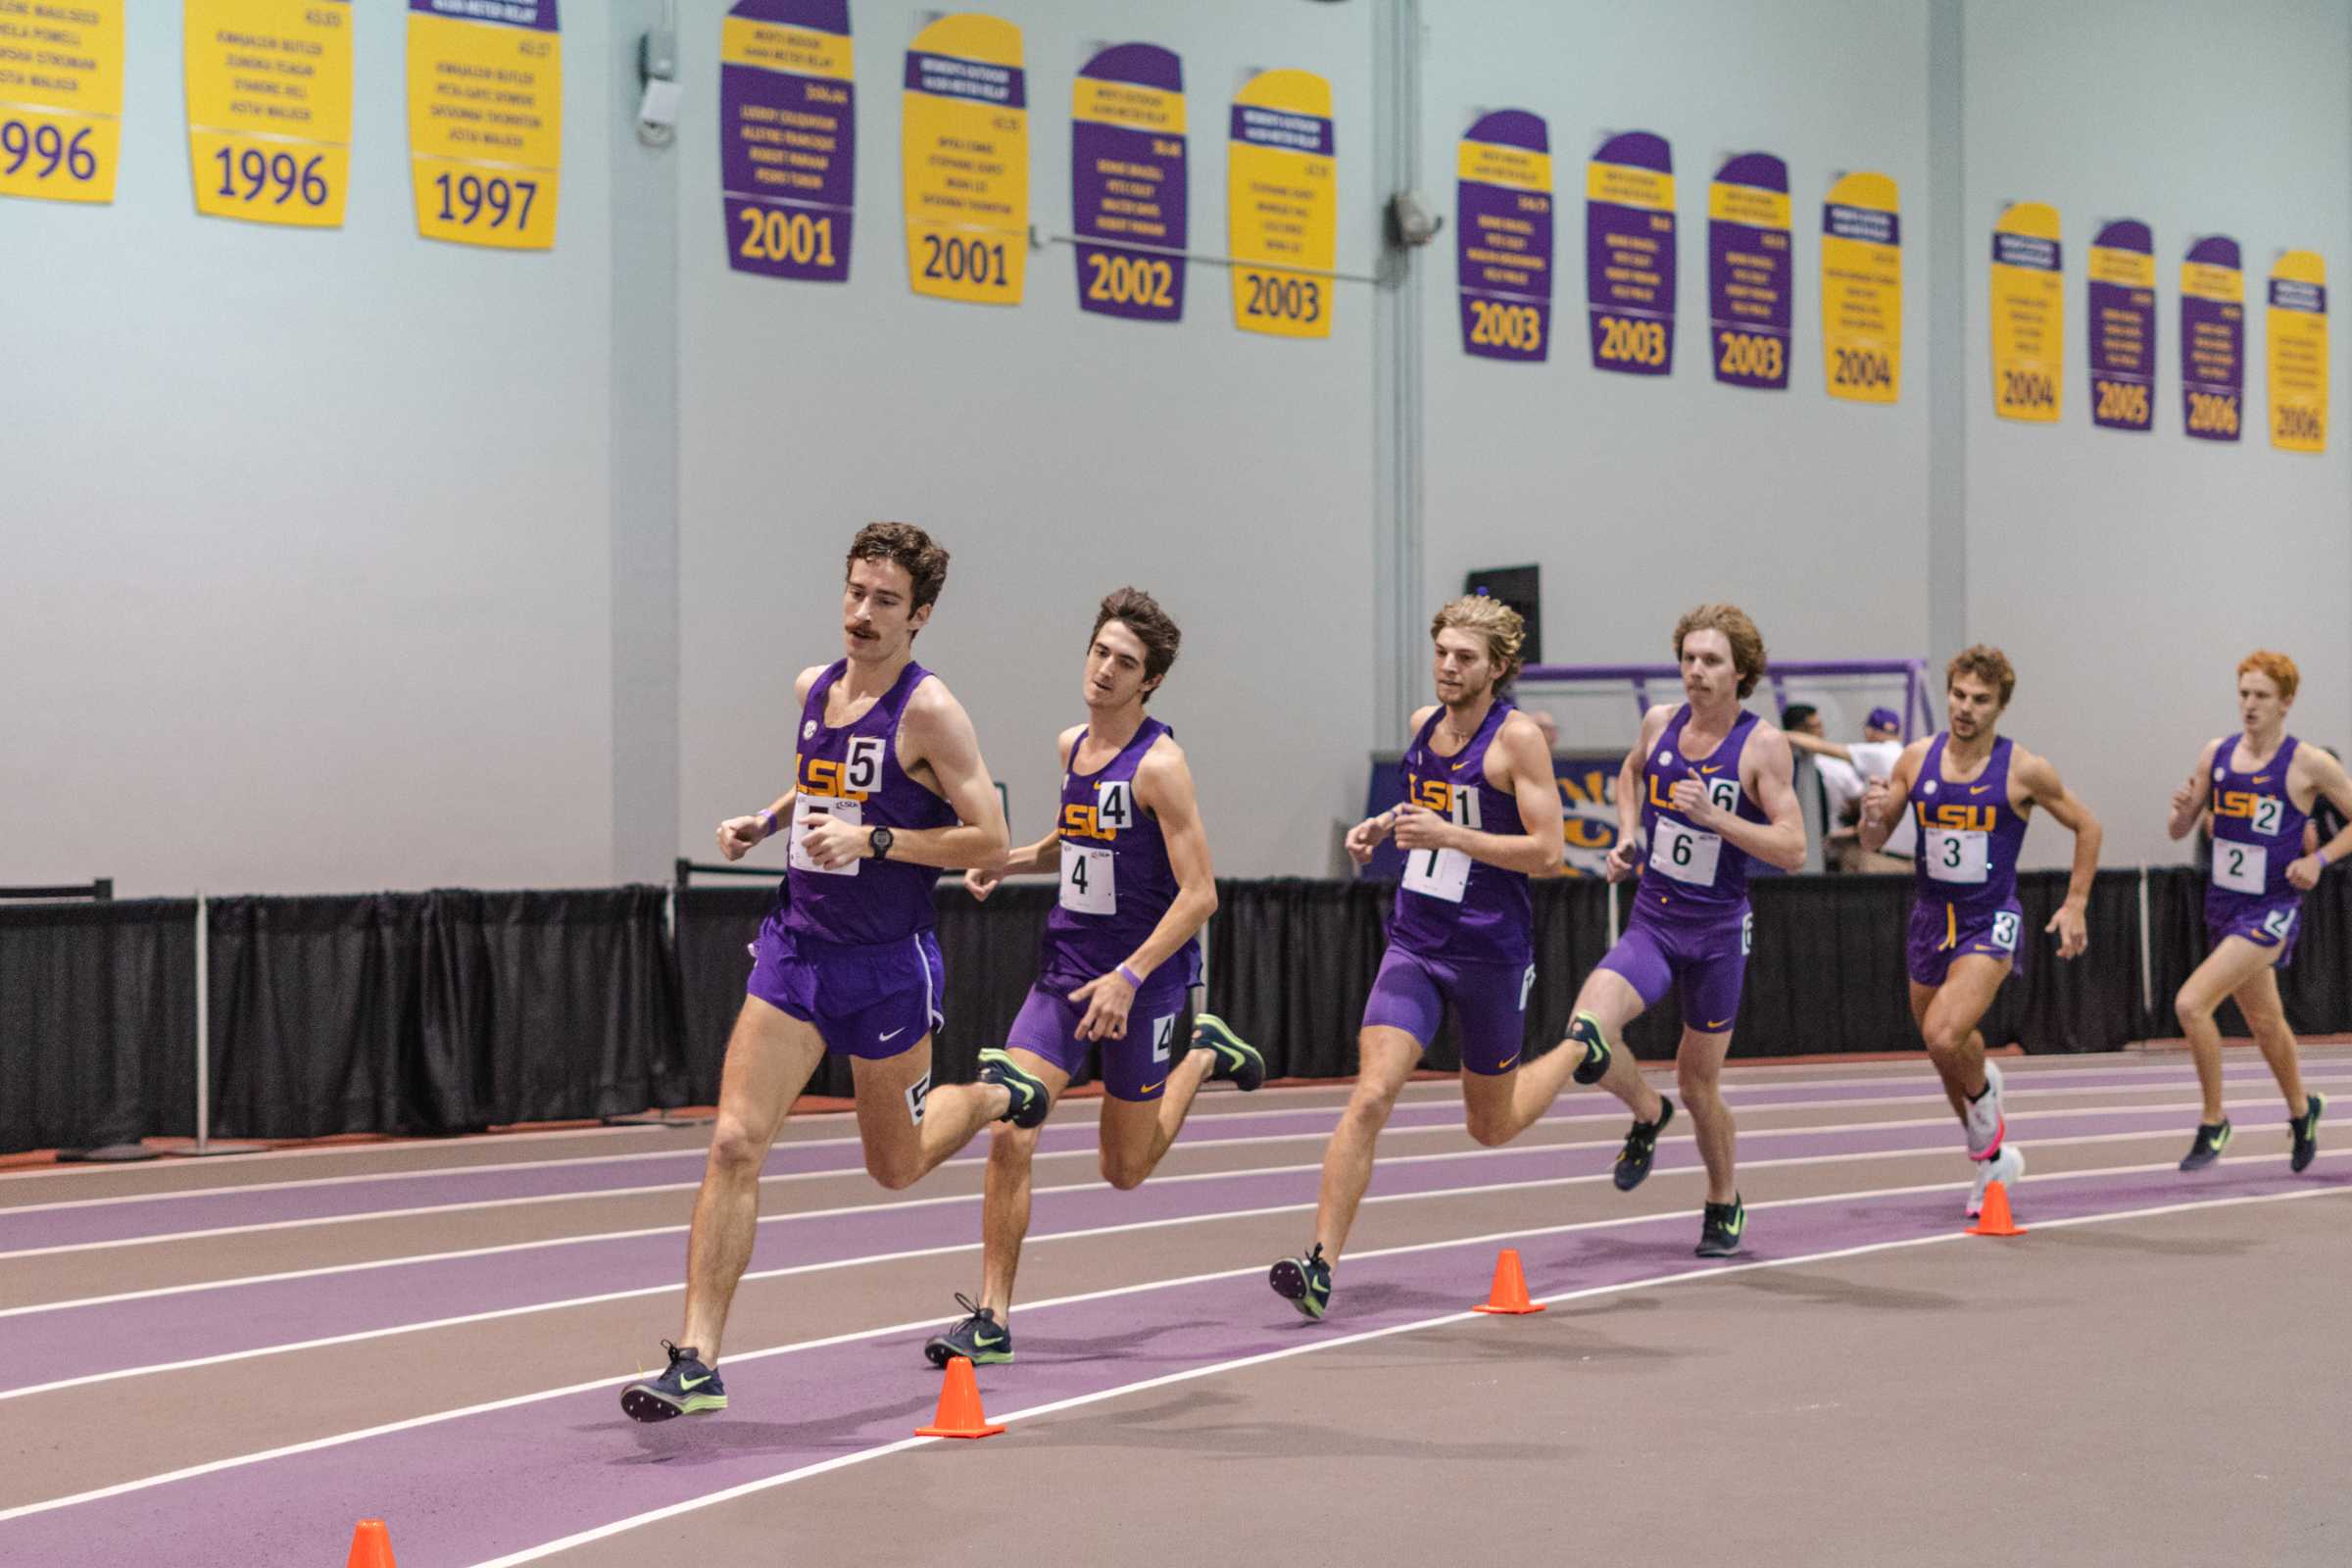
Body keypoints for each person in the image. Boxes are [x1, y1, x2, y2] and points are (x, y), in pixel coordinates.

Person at [621, 521, 1034, 1422]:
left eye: (885, 601)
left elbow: (991, 839)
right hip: (796, 950)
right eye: (854, 593)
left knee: (895, 1166)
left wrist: (877, 839)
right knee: (734, 1141)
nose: (861, 613)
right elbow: (820, 780)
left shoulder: (932, 712)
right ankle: (698, 1360)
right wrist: (765, 823)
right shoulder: (814, 687)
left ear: (918, 615)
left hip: (887, 967)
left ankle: (997, 1094)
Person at [922, 588, 1263, 1366]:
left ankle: (1204, 1053)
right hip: (1066, 972)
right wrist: (1008, 861)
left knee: (1125, 1169)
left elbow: (1201, 893)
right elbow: (1075, 835)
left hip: (1145, 985)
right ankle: (993, 1316)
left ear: (1151, 683)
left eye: (1126, 663)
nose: (1106, 670)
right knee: (1013, 1128)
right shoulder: (1071, 744)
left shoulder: (1163, 765)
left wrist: (1131, 976)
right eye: (1100, 652)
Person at [1268, 595, 1584, 1319]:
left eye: (1465, 657)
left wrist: (1451, 837)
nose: (1447, 666)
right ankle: (1319, 1265)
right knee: (1373, 1093)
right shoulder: (1421, 727)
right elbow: (1431, 804)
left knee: (1490, 1126)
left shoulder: (1518, 740)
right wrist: (1383, 826)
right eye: (1441, 651)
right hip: (1416, 942)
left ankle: (1577, 1048)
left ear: (1498, 668)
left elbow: (1549, 851)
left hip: (1491, 954)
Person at [1553, 605, 1807, 1258]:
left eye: (1711, 660)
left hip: (1718, 935)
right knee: (1586, 1033)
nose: (1695, 671)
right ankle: (1645, 1111)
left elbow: (1793, 848)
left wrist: (1718, 818)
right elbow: (1632, 771)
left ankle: (1723, 1199)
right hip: (1655, 923)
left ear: (1740, 672)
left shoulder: (1762, 745)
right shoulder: (1660, 722)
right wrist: (1630, 835)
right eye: (1688, 658)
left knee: (1699, 1086)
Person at [1859, 646, 2102, 1217]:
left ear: (2001, 706)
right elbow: (1873, 839)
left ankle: (1985, 1110)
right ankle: (1990, 1159)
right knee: (1943, 1047)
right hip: (1928, 919)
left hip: (1988, 920)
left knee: (1945, 1034)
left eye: (1981, 700)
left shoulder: (2025, 769)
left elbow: (2088, 825)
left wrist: (2077, 903)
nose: (1966, 709)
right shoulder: (1915, 759)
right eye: (1959, 695)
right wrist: (1871, 817)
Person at [2165, 652, 2352, 1173]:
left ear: (2286, 702)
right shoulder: (2217, 755)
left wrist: (2319, 859)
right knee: (2265, 1021)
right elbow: (2180, 830)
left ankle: (2213, 1119)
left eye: (2261, 696)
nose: (2249, 705)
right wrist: (2181, 813)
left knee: (2191, 1004)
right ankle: (2302, 1109)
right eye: (2243, 694)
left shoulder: (2307, 763)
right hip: (2225, 904)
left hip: (2272, 908)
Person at [1786, 704, 1914, 872]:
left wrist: (1779, 734)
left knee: (1846, 855)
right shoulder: (1905, 755)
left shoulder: (1877, 752)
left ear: (1869, 731)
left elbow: (1822, 747)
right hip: (1910, 861)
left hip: (1885, 861)